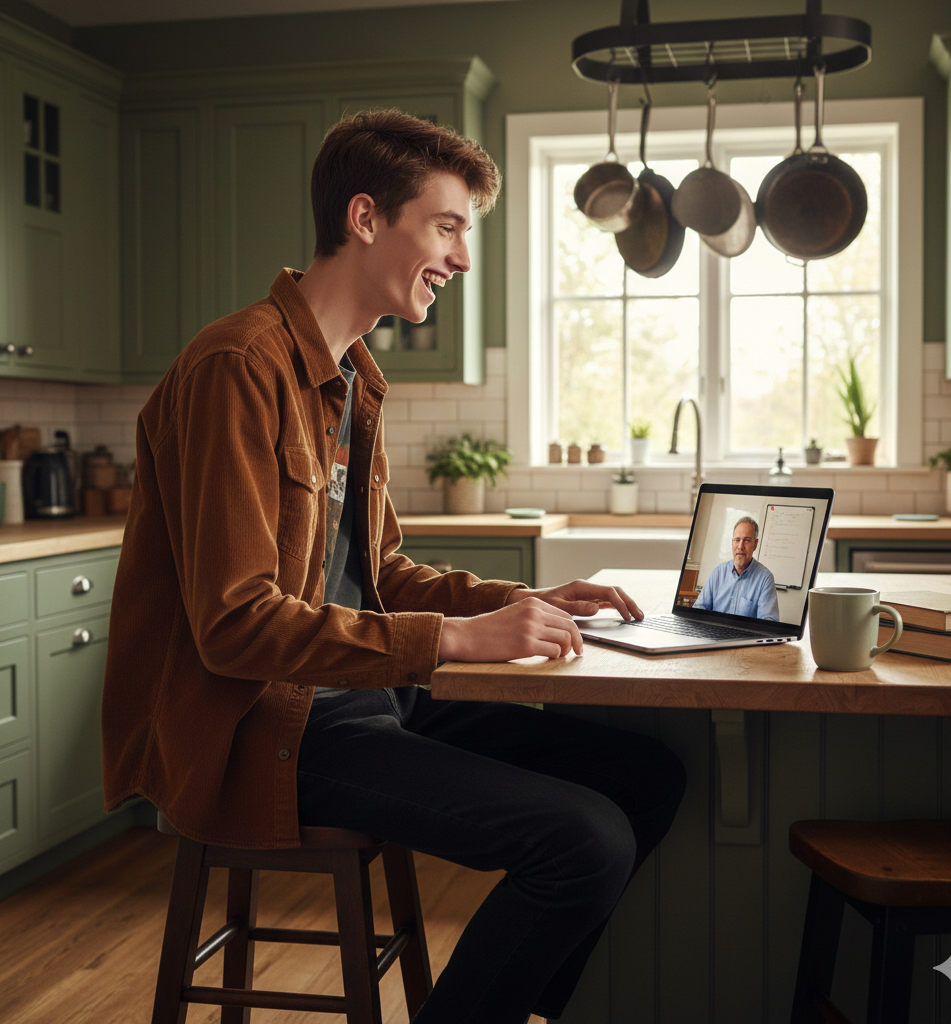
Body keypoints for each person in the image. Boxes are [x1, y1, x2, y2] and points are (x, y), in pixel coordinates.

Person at [102, 109, 685, 1024]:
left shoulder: (352, 378)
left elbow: (384, 574)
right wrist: (456, 636)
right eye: (447, 226)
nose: (459, 257)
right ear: (366, 219)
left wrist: (517, 601)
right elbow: (235, 625)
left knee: (647, 777)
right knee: (586, 841)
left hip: (365, 701)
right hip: (269, 732)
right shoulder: (237, 367)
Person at [692, 515, 780, 620]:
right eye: (737, 540)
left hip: (746, 636)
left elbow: (768, 621)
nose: (740, 546)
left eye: (747, 540)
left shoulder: (765, 579)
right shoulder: (718, 572)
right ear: (732, 542)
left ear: (755, 544)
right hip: (714, 633)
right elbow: (699, 610)